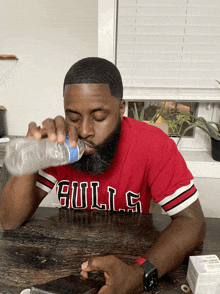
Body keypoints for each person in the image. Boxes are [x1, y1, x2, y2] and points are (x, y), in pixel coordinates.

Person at [0, 57, 206, 293]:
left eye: (99, 117)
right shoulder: (60, 145)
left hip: (131, 259)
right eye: (74, 117)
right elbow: (9, 220)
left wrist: (139, 274)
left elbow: (193, 222)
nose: (85, 130)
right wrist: (32, 152)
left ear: (121, 108)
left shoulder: (152, 145)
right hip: (67, 268)